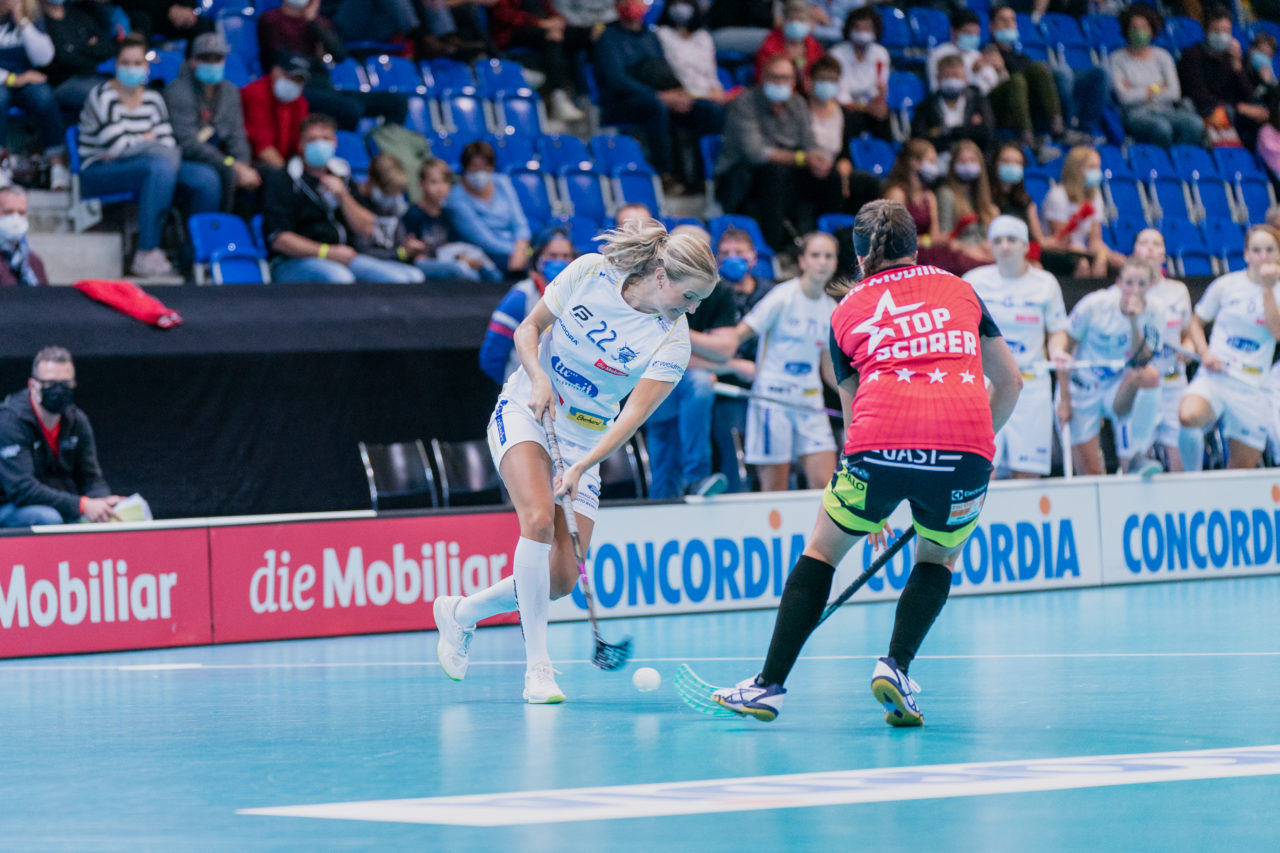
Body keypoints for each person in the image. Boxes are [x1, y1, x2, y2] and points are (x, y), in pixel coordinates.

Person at [710, 199, 1022, 725]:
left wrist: (873, 504)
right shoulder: (961, 289)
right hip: (966, 447)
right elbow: (1010, 382)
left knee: (823, 551)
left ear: (858, 256)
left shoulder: (846, 309)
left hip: (878, 447)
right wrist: (968, 449)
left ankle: (769, 685)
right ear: (916, 245)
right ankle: (895, 666)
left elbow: (856, 418)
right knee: (939, 558)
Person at [433, 219, 719, 703]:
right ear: (663, 276)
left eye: (699, 303)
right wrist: (537, 378)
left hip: (586, 442)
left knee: (562, 580)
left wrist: (584, 464)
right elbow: (530, 329)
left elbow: (630, 419)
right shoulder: (592, 273)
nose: (691, 309)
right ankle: (538, 669)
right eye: (689, 297)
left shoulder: (673, 340)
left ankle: (461, 613)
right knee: (539, 521)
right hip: (528, 409)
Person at [78, 33, 221, 278]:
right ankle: (146, 252)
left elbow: (166, 142)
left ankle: (198, 255)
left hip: (152, 166)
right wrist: (147, 141)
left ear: (146, 66)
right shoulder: (102, 96)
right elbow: (116, 148)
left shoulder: (154, 99)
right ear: (115, 65)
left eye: (137, 63)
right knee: (159, 168)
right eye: (126, 63)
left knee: (205, 178)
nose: (132, 68)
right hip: (97, 172)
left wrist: (144, 145)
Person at [716, 55, 875, 251]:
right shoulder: (745, 102)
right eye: (774, 77)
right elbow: (756, 153)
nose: (780, 83)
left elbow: (810, 144)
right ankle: (775, 248)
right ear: (763, 77)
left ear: (793, 81)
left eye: (786, 78)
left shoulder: (797, 103)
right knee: (776, 172)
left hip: (788, 172)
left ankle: (831, 244)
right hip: (742, 176)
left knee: (832, 176)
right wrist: (803, 158)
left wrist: (819, 160)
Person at [262, 113, 425, 283]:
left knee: (411, 277)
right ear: (300, 145)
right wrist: (326, 252)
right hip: (294, 261)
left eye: (325, 138)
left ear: (334, 142)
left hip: (344, 256)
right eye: (312, 139)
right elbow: (279, 240)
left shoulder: (343, 175)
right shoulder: (284, 178)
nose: (320, 144)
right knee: (340, 277)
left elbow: (367, 228)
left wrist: (343, 196)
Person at [963, 216, 1068, 478]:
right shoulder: (972, 281)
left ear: (1025, 246)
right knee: (983, 469)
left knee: (1029, 473)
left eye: (1012, 239)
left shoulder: (1046, 283)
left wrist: (1057, 351)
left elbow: (1057, 330)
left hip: (1032, 387)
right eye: (998, 240)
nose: (1005, 246)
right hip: (985, 388)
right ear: (990, 246)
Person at [733, 231, 839, 492]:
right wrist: (728, 365)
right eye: (815, 255)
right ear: (802, 261)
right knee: (775, 491)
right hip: (772, 402)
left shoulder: (832, 309)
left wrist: (861, 397)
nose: (822, 262)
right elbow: (736, 336)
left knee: (826, 489)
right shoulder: (782, 296)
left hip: (810, 403)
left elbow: (828, 369)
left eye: (829, 256)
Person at [594, 0, 725, 192]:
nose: (632, 5)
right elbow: (617, 81)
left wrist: (679, 93)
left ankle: (703, 178)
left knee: (708, 110)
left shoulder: (650, 36)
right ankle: (665, 175)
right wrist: (660, 96)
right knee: (655, 106)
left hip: (660, 97)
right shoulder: (608, 37)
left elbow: (663, 71)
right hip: (622, 103)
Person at [1179, 225, 1280, 470]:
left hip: (1253, 386)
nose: (1262, 256)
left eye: (1269, 250)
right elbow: (1196, 322)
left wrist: (1267, 288)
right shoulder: (1226, 285)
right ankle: (1188, 481)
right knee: (1188, 415)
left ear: (1278, 254)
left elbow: (1277, 333)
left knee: (1241, 468)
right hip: (1216, 376)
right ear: (1246, 254)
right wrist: (1204, 353)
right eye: (1256, 250)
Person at [1055, 260, 1164, 476]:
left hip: (1116, 388)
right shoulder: (1095, 305)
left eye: (1141, 284)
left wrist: (1134, 321)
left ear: (1151, 286)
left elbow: (1141, 360)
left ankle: (1138, 455)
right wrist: (1064, 401)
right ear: (1118, 283)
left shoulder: (1155, 311)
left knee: (1149, 376)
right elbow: (1064, 351)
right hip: (1080, 389)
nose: (1134, 290)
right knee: (1090, 471)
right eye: (1129, 283)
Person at [0, 346, 122, 527]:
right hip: (11, 506)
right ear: (33, 385)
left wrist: (103, 501)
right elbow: (22, 489)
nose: (58, 391)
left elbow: (90, 478)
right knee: (49, 518)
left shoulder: (76, 421)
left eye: (65, 384)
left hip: (60, 504)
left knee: (119, 512)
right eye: (50, 384)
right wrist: (82, 505)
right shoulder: (10, 422)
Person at [257, 0, 406, 131]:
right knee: (351, 108)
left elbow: (340, 55)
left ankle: (386, 147)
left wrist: (313, 21)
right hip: (298, 86)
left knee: (397, 102)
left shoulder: (319, 21)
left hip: (326, 88)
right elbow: (280, 57)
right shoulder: (271, 19)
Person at [709, 226, 776, 491]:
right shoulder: (711, 294)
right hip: (727, 386)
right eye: (725, 253)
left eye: (739, 252)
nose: (732, 257)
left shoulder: (773, 294)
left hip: (770, 382)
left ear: (753, 258)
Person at [164, 32, 261, 214]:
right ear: (192, 61)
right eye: (205, 58)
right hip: (186, 157)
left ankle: (256, 236)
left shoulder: (230, 91)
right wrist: (231, 164)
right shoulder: (178, 91)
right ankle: (213, 234)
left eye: (217, 58)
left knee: (270, 175)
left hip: (220, 156)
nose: (211, 63)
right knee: (219, 176)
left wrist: (242, 164)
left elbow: (237, 134)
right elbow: (187, 143)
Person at [1131, 228, 1200, 473]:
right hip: (1140, 387)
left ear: (1164, 253)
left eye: (1156, 244)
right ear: (1135, 251)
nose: (1150, 248)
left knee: (1179, 470)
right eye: (1143, 242)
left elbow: (1187, 333)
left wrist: (1189, 347)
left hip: (1174, 385)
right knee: (1139, 465)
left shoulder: (1178, 291)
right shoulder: (1127, 291)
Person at [479, 228, 577, 384]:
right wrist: (516, 386)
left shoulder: (578, 298)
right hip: (524, 397)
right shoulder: (520, 296)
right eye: (552, 255)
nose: (560, 261)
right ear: (538, 258)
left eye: (566, 256)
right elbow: (491, 356)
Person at [883, 138, 984, 276]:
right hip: (906, 257)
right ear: (915, 163)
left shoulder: (929, 196)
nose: (935, 167)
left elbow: (936, 236)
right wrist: (928, 240)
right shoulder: (897, 194)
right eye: (931, 161)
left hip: (929, 252)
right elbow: (895, 240)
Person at [1110, 3, 1204, 147]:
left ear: (1151, 29)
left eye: (1143, 27)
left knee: (1195, 124)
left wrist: (1139, 89)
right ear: (1127, 30)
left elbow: (1174, 93)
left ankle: (1178, 161)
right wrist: (1157, 87)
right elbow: (1125, 98)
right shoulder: (1117, 59)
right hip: (1136, 114)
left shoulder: (1163, 56)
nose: (1139, 32)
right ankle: (1160, 162)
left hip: (1166, 109)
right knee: (1162, 128)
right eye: (1134, 28)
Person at [1177, 5, 1267, 149]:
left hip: (1232, 107)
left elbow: (1249, 95)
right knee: (1224, 111)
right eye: (1216, 30)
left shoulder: (1232, 56)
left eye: (1226, 31)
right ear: (1206, 31)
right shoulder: (1192, 55)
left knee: (1265, 113)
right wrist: (1238, 107)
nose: (1221, 35)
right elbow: (1200, 96)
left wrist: (1238, 67)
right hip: (1202, 108)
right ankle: (1228, 160)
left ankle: (1261, 164)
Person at [0, 0, 66, 188]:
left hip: (27, 80)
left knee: (44, 97)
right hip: (6, 81)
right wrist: (14, 79)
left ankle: (57, 166)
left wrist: (22, 21)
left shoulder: (31, 15)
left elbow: (44, 58)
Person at [402, 156, 501, 282]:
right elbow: (408, 251)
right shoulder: (413, 213)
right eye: (434, 182)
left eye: (444, 182)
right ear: (421, 184)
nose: (440, 188)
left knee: (491, 272)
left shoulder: (448, 214)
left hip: (448, 260)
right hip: (424, 264)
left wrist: (463, 258)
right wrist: (411, 249)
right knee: (462, 270)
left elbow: (453, 245)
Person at [446, 139, 532, 274]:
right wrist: (515, 252)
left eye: (486, 167)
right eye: (475, 168)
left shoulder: (502, 182)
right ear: (465, 168)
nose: (480, 173)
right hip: (488, 251)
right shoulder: (455, 198)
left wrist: (521, 248)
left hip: (517, 248)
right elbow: (482, 238)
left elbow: (519, 221)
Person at [490, 0, 584, 122]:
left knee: (584, 36)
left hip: (544, 29)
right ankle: (559, 96)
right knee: (552, 39)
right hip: (513, 33)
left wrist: (558, 21)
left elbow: (551, 11)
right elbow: (503, 14)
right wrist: (540, 23)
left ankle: (582, 98)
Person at [1039, 145, 1115, 279]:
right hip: (1057, 252)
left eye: (1098, 167)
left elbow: (1095, 240)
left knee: (1107, 262)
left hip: (1082, 251)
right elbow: (1061, 241)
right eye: (1092, 167)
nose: (1097, 172)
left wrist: (1105, 255)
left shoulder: (1095, 196)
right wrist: (1088, 253)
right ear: (1076, 169)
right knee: (1083, 264)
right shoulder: (1058, 195)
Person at [42, 0, 115, 131]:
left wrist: (77, 48)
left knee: (132, 90)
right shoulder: (40, 22)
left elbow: (108, 47)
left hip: (92, 75)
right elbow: (63, 60)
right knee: (107, 96)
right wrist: (89, 46)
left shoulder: (77, 15)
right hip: (63, 82)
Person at [826, 6, 891, 141]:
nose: (862, 32)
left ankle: (885, 158)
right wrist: (866, 108)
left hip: (867, 105)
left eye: (867, 28)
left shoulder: (881, 54)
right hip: (844, 108)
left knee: (883, 115)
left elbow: (879, 87)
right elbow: (841, 95)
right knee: (851, 118)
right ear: (849, 29)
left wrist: (877, 103)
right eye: (858, 28)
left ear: (875, 31)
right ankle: (846, 159)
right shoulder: (836, 55)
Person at [911, 54, 995, 155]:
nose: (951, 80)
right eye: (946, 76)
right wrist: (968, 129)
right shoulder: (926, 106)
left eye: (956, 76)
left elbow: (986, 133)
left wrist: (945, 131)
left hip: (973, 158)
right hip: (938, 159)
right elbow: (920, 139)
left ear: (965, 78)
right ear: (938, 78)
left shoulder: (978, 102)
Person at [241, 52, 310, 170]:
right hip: (247, 161)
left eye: (298, 80)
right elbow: (263, 148)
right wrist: (288, 178)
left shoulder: (300, 103)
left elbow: (299, 143)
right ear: (275, 71)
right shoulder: (255, 94)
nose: (293, 83)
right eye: (289, 77)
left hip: (281, 163)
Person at [655, 0, 729, 107]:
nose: (680, 8)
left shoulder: (703, 36)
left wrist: (717, 90)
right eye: (675, 4)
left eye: (684, 3)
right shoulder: (662, 34)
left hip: (709, 94)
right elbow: (671, 72)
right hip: (684, 94)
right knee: (709, 109)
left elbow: (712, 75)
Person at [936, 139, 997, 266]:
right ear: (953, 165)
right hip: (960, 256)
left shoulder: (982, 197)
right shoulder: (946, 194)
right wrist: (971, 250)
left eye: (972, 160)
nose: (968, 164)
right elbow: (945, 239)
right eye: (963, 161)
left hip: (985, 254)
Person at [754, 0, 825, 95]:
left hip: (807, 96)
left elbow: (820, 75)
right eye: (791, 19)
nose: (795, 23)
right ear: (783, 21)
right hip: (774, 93)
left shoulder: (814, 46)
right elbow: (761, 78)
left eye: (801, 19)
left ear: (810, 23)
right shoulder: (769, 45)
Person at [989, 142, 1046, 249]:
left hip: (1029, 250)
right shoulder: (986, 198)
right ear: (995, 164)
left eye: (1017, 163)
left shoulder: (1026, 199)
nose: (1012, 166)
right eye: (1006, 161)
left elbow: (1040, 239)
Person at [0, 185, 46, 285]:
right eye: (8, 212)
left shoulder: (34, 262)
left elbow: (46, 298)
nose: (15, 219)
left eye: (21, 212)